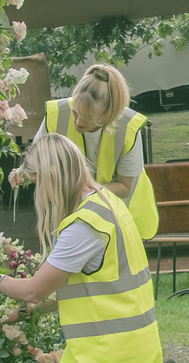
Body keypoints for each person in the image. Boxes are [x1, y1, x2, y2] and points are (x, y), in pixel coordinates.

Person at [0, 133, 189, 363]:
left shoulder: (83, 226)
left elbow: (34, 290)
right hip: (134, 350)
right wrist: (28, 312)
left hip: (107, 362)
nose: (39, 190)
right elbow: (87, 286)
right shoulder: (107, 203)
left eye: (38, 181)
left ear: (53, 177)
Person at [37, 62, 159, 240]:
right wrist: (26, 173)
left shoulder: (128, 127)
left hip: (121, 215)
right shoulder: (56, 114)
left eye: (88, 116)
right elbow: (35, 163)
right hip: (69, 217)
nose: (78, 122)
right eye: (75, 112)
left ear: (108, 113)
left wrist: (81, 192)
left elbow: (125, 187)